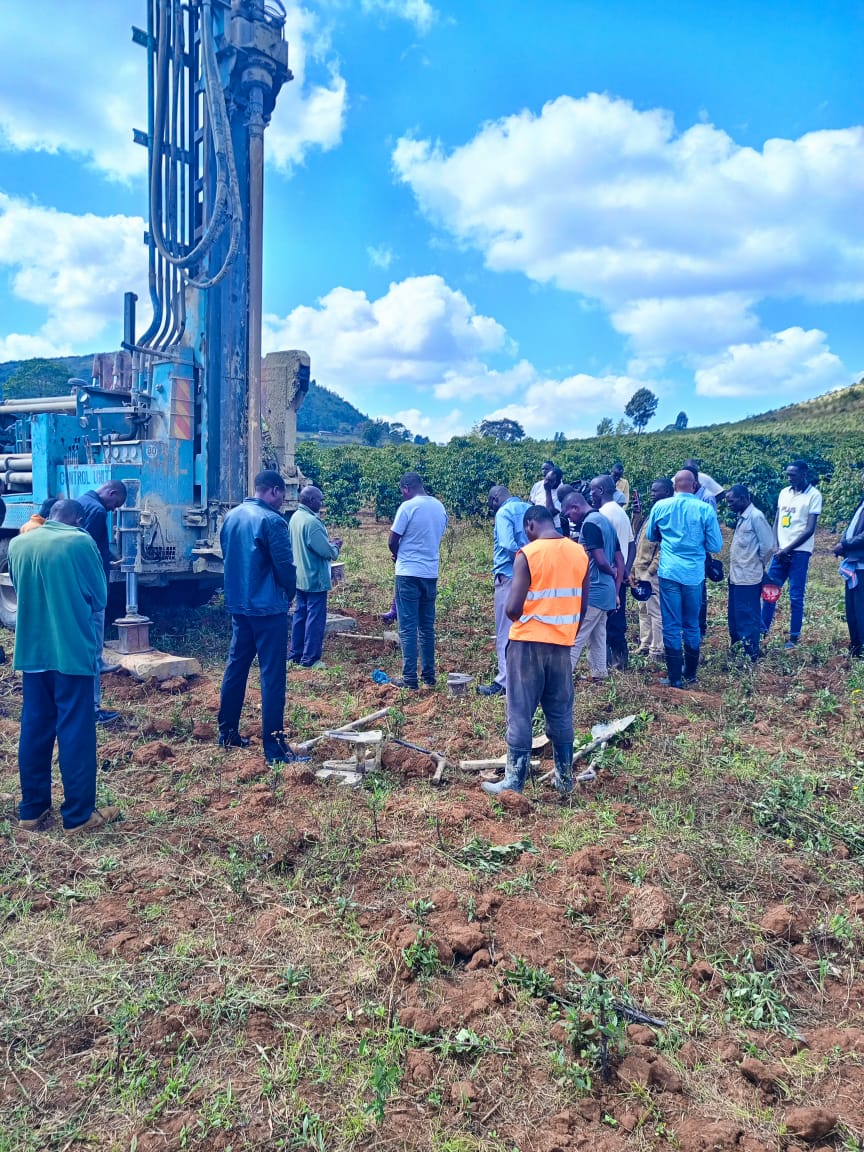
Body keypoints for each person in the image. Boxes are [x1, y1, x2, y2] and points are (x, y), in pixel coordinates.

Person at [9, 499, 121, 834]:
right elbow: (100, 597)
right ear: (79, 519)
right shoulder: (80, 542)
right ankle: (78, 816)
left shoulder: (18, 543)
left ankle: (32, 810)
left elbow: (19, 590)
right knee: (75, 730)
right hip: (71, 652)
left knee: (34, 726)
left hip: (32, 653)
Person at [481, 505, 590, 797]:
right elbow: (582, 604)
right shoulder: (579, 552)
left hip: (527, 644)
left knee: (520, 712)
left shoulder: (528, 555)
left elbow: (513, 608)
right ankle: (565, 780)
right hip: (561, 646)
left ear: (530, 525)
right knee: (561, 713)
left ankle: (513, 782)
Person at [218, 469, 297, 764]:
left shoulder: (233, 516)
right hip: (267, 608)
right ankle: (274, 749)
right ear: (274, 491)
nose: (283, 500)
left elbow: (229, 557)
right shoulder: (272, 521)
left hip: (240, 605)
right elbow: (285, 567)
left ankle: (227, 733)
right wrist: (289, 593)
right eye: (283, 494)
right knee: (272, 675)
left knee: (236, 667)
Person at [646, 469, 723, 688]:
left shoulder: (660, 507)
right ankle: (690, 673)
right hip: (694, 574)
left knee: (671, 624)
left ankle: (674, 678)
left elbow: (652, 536)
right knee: (691, 624)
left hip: (669, 572)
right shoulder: (705, 510)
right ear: (694, 486)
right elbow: (715, 545)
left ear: (674, 487)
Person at [389, 472, 448, 690]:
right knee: (426, 627)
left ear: (406, 488)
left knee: (407, 627)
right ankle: (429, 678)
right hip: (429, 573)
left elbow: (392, 540)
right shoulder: (439, 507)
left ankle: (410, 679)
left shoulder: (408, 507)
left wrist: (398, 556)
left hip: (408, 574)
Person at [78, 480, 127, 723]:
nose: (112, 509)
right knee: (93, 646)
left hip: (78, 591)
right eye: (114, 504)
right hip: (91, 588)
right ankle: (93, 709)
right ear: (112, 492)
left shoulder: (81, 501)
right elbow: (85, 547)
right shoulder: (97, 510)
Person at [560, 490, 622, 682]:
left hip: (595, 589)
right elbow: (619, 558)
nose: (570, 519)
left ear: (575, 507)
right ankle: (599, 673)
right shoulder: (604, 521)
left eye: (569, 514)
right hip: (606, 590)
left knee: (577, 634)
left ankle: (561, 678)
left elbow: (601, 560)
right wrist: (616, 585)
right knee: (597, 634)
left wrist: (610, 573)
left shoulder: (590, 525)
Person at [761, 461, 822, 649]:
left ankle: (794, 638)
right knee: (769, 592)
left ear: (804, 474)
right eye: (788, 474)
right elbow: (777, 522)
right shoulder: (784, 493)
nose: (789, 478)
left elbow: (809, 529)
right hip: (780, 553)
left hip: (799, 553)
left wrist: (787, 550)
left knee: (796, 596)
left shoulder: (814, 496)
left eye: (793, 474)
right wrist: (777, 547)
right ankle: (763, 631)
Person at [477, 485, 531, 696]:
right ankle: (524, 677)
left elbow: (509, 545)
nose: (491, 506)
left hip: (509, 577)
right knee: (525, 628)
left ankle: (505, 682)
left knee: (505, 630)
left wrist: (521, 566)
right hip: (531, 578)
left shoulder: (504, 512)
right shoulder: (529, 508)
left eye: (490, 502)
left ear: (495, 499)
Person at [288, 485, 342, 670]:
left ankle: (295, 654)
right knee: (315, 619)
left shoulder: (295, 518)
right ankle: (310, 659)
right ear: (311, 501)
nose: (321, 503)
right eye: (319, 499)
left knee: (300, 615)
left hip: (300, 576)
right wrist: (335, 547)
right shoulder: (312, 522)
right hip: (314, 578)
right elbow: (326, 551)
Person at [590, 475, 635, 669]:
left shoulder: (603, 515)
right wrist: (625, 571)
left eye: (592, 490)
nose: (589, 494)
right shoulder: (620, 512)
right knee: (615, 620)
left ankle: (613, 663)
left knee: (606, 622)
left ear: (600, 491)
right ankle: (617, 663)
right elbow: (631, 545)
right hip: (617, 575)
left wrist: (618, 572)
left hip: (607, 576)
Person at [726, 484, 774, 661]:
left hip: (749, 577)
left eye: (731, 502)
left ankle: (749, 654)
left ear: (743, 499)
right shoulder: (742, 517)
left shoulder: (756, 517)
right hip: (736, 577)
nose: (729, 505)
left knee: (748, 617)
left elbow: (768, 546)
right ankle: (738, 650)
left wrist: (756, 563)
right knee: (735, 616)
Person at [631, 478, 673, 663]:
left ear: (667, 492)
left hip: (651, 572)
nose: (652, 494)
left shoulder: (667, 515)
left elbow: (663, 548)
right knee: (643, 609)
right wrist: (637, 515)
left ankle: (657, 649)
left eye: (656, 491)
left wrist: (651, 571)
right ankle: (645, 643)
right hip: (639, 567)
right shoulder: (653, 512)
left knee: (655, 611)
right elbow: (637, 535)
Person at [833, 482, 864, 658]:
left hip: (862, 566)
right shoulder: (861, 502)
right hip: (855, 563)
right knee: (852, 610)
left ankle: (861, 651)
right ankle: (856, 647)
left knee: (861, 610)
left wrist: (844, 544)